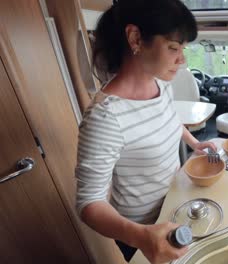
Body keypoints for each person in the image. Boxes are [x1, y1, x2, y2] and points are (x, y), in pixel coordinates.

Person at [75, 0, 216, 263]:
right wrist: (140, 237)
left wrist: (194, 143)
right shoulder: (105, 118)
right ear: (135, 38)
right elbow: (88, 203)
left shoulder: (161, 85)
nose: (182, 60)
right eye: (174, 48)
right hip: (142, 230)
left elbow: (169, 121)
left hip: (176, 202)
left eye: (183, 49)